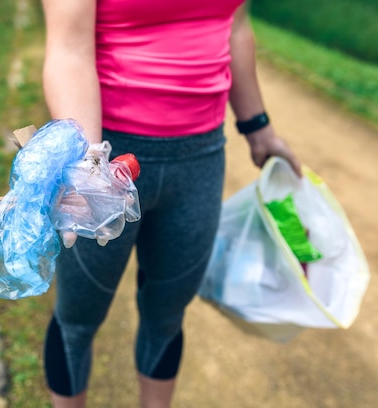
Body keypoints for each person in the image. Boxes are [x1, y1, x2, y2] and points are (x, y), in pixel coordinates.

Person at [39, 1, 302, 407]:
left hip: (201, 158)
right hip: (106, 153)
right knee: (78, 317)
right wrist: (87, 166)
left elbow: (235, 24)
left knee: (167, 315)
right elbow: (68, 50)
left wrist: (258, 128)